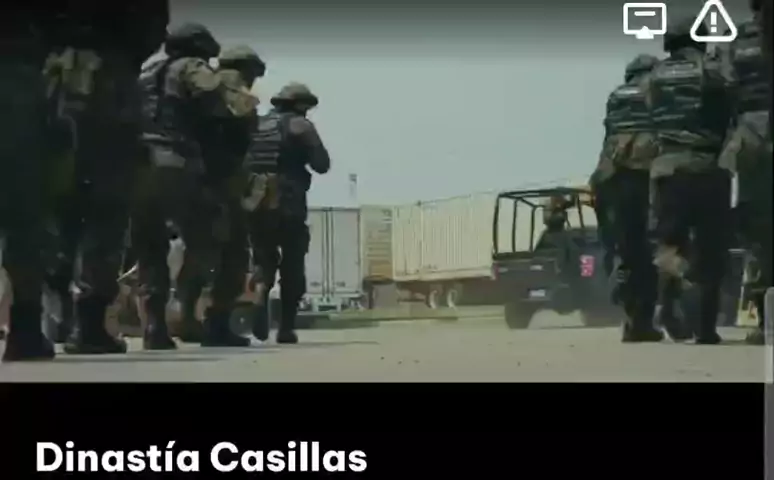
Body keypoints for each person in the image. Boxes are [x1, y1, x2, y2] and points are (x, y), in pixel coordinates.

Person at [34, 3, 170, 356]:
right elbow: (150, 29)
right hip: (108, 84)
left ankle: (49, 314)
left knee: (54, 205)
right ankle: (89, 323)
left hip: (48, 81)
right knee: (107, 208)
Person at [133, 23, 257, 350]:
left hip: (138, 164)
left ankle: (155, 326)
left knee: (150, 247)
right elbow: (221, 104)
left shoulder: (146, 72)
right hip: (177, 162)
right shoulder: (192, 67)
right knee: (207, 239)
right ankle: (191, 314)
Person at [645, 18, 735, 344]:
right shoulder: (712, 70)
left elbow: (651, 115)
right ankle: (706, 328)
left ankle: (668, 308)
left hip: (668, 170)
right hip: (708, 168)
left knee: (670, 246)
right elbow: (731, 105)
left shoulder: (653, 77)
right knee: (711, 249)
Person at [173, 45, 266, 344]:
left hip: (191, 179)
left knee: (197, 252)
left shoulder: (200, 87)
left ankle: (186, 317)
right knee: (233, 255)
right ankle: (217, 323)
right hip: (220, 183)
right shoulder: (228, 86)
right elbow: (242, 127)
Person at [243, 83, 331, 343]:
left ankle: (260, 295)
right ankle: (286, 328)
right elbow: (322, 164)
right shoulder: (301, 126)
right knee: (293, 261)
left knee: (263, 258)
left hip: (256, 200)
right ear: (300, 105)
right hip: (288, 200)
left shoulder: (257, 125)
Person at [717, 1, 772, 345]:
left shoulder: (737, 39)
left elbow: (723, 86)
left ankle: (766, 321)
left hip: (752, 138)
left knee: (761, 232)